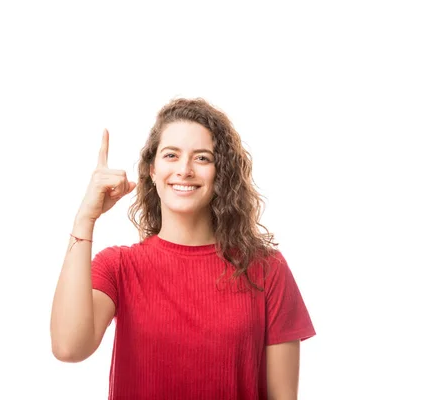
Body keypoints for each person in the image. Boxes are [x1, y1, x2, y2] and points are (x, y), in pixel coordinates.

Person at [50, 98, 316, 399]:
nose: (185, 170)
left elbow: (283, 396)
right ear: (152, 170)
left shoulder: (267, 269)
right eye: (171, 155)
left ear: (220, 174)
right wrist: (86, 217)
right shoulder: (118, 267)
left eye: (202, 158)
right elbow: (69, 347)